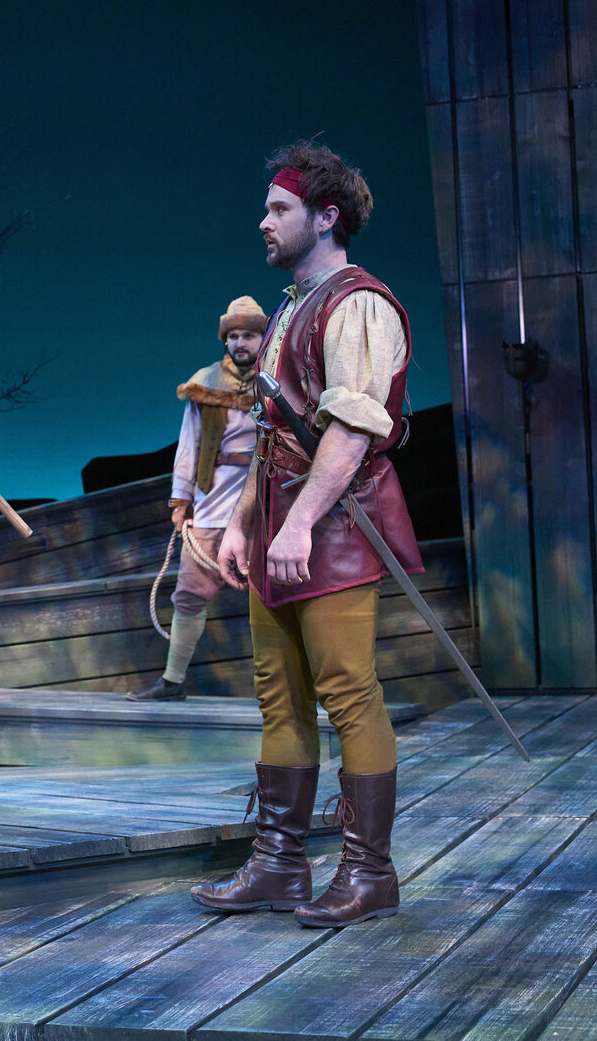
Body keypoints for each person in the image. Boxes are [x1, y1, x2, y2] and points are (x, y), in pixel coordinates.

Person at [191, 141, 422, 928]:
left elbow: (352, 431)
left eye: (278, 209)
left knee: (347, 692)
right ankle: (279, 865)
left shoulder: (357, 304)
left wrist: (295, 525)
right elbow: (272, 434)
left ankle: (369, 874)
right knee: (278, 698)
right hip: (278, 525)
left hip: (334, 525)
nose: (263, 221)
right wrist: (242, 525)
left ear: (325, 217)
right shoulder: (291, 306)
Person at [127, 297, 266, 702]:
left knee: (273, 598)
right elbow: (188, 446)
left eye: (249, 335)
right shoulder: (206, 383)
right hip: (211, 506)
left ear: (262, 338)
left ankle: (288, 689)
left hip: (262, 509)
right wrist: (181, 502)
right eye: (234, 336)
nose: (240, 343)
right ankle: (173, 682)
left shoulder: (277, 382)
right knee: (188, 595)